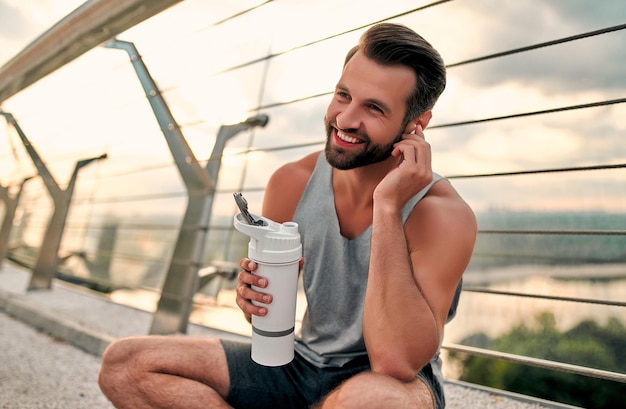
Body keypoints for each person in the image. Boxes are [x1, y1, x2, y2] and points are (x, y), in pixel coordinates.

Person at [98, 22, 477, 409]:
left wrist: (388, 206)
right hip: (301, 365)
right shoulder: (292, 182)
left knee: (372, 400)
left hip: (388, 387)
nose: (345, 119)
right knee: (125, 364)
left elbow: (396, 362)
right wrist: (255, 303)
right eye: (343, 95)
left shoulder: (442, 215)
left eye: (374, 108)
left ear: (417, 124)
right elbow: (266, 320)